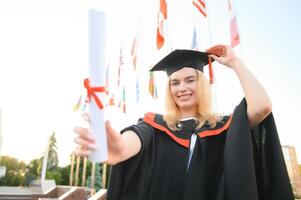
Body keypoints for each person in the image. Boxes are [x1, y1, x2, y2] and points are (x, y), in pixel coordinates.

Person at [74, 44, 293, 200]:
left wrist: (235, 63)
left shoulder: (223, 127)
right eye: (175, 83)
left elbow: (262, 106)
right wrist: (121, 148)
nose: (182, 88)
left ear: (203, 85)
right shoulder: (155, 126)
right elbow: (134, 140)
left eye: (190, 80)